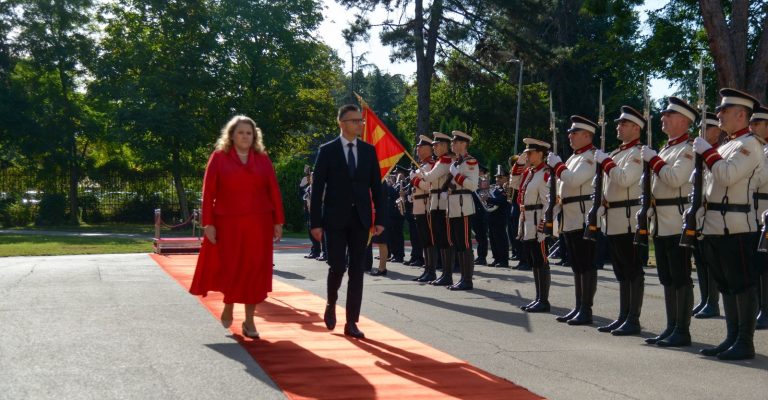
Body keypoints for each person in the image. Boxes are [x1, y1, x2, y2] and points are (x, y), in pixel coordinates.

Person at [190, 115, 285, 340]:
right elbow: (209, 192)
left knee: (254, 271)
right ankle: (229, 304)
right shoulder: (219, 157)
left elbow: (273, 190)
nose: (245, 136)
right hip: (228, 224)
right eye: (241, 132)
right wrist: (208, 223)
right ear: (232, 135)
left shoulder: (262, 159)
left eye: (249, 133)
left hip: (259, 223)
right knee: (232, 267)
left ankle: (250, 321)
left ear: (255, 136)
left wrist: (278, 221)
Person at [695, 88, 761, 360]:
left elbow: (728, 176)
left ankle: (745, 342)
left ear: (741, 114)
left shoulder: (750, 145)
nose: (718, 114)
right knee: (726, 284)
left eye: (724, 110)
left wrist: (708, 154)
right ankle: (732, 336)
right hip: (714, 224)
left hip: (736, 225)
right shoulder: (726, 145)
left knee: (742, 284)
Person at [310, 104, 385, 339]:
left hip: (361, 219)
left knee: (357, 270)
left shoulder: (368, 151)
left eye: (361, 121)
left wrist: (380, 218)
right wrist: (315, 223)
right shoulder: (327, 150)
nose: (360, 124)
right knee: (337, 266)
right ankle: (331, 303)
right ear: (342, 123)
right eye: (355, 121)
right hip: (335, 218)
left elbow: (377, 188)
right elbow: (317, 189)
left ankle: (351, 321)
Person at [640, 97, 696, 347]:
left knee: (680, 275)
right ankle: (671, 326)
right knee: (666, 276)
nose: (663, 118)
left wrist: (654, 160)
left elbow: (675, 179)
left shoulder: (689, 149)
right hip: (661, 221)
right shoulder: (667, 148)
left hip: (676, 219)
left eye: (669, 115)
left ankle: (682, 330)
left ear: (684, 121)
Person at [594, 106, 645, 336]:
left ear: (636, 128)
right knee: (620, 270)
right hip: (613, 218)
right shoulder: (617, 154)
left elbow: (624, 180)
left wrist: (606, 163)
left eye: (623, 124)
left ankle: (633, 318)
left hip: (628, 218)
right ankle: (624, 315)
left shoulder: (637, 153)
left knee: (632, 269)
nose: (618, 127)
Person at [547, 115, 599, 325]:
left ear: (587, 135)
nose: (570, 136)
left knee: (585, 263)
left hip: (581, 215)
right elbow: (564, 186)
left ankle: (586, 308)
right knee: (576, 264)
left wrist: (558, 166)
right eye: (570, 133)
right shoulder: (574, 157)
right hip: (569, 215)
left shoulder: (591, 156)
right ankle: (578, 306)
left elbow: (574, 179)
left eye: (574, 133)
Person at [510, 138, 552, 312]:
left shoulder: (544, 173)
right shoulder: (530, 172)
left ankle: (544, 300)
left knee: (541, 259)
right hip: (527, 218)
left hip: (537, 219)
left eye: (530, 153)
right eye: (526, 153)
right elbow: (514, 182)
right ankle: (538, 297)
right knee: (534, 260)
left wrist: (545, 222)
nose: (527, 155)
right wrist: (519, 162)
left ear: (540, 154)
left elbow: (548, 200)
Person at [691, 112, 726, 319]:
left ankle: (712, 302)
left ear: (717, 131)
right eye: (699, 129)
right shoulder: (698, 153)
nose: (701, 133)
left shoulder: (718, 153)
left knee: (711, 260)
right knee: (700, 259)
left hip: (712, 212)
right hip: (698, 212)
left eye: (707, 129)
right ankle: (705, 299)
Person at [417, 132, 455, 286]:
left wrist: (418, 174)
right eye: (433, 145)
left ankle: (447, 274)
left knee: (445, 239)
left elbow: (429, 178)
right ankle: (443, 273)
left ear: (444, 146)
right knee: (439, 239)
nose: (434, 147)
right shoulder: (441, 161)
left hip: (442, 205)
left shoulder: (446, 161)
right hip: (436, 203)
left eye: (436, 145)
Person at [444, 130, 480, 290]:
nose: (452, 144)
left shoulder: (470, 162)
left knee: (465, 243)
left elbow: (472, 185)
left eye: (455, 142)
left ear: (464, 144)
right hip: (453, 207)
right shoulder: (457, 162)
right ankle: (463, 278)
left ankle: (467, 280)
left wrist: (455, 173)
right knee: (458, 243)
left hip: (463, 206)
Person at [410, 136, 438, 282]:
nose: (418, 149)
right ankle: (427, 269)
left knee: (429, 239)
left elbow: (429, 187)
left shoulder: (431, 165)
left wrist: (414, 179)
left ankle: (431, 271)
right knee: (424, 240)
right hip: (419, 206)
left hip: (426, 206)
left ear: (429, 149)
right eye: (418, 147)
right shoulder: (421, 165)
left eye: (421, 147)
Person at [750, 104, 768, 330]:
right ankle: (759, 307)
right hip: (752, 214)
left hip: (765, 212)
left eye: (757, 123)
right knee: (758, 265)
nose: (751, 127)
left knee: (765, 266)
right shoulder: (757, 150)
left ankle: (765, 309)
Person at [487, 165, 510, 267]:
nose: (497, 179)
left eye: (500, 177)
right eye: (496, 177)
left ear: (506, 178)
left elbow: (501, 201)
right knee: (493, 240)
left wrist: (488, 199)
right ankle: (496, 259)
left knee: (501, 240)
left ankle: (503, 261)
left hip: (500, 217)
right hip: (491, 217)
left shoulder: (505, 190)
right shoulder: (493, 188)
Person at [472, 166, 490, 266]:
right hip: (475, 212)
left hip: (482, 213)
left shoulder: (484, 182)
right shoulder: (475, 182)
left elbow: (485, 196)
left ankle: (482, 257)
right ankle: (480, 256)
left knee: (482, 236)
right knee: (478, 235)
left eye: (479, 171)